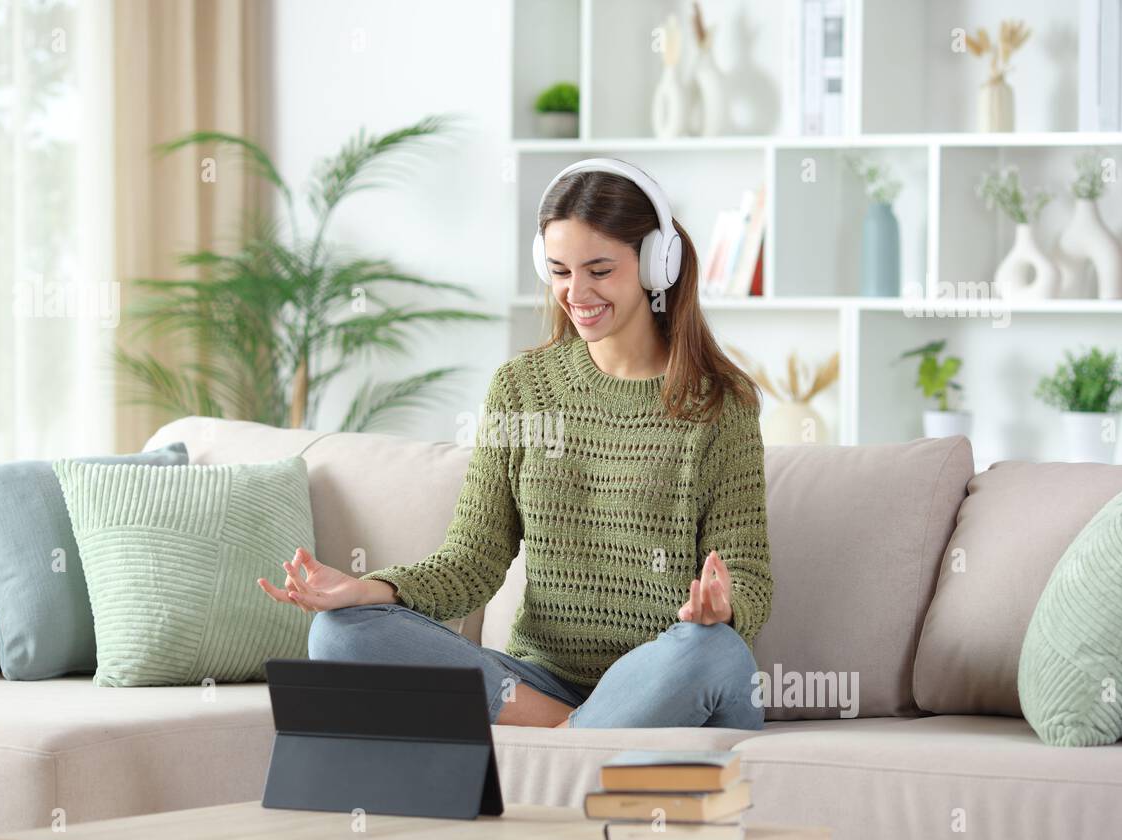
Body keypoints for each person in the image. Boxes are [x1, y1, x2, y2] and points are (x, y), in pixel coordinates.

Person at [258, 157, 772, 730]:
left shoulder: (721, 401)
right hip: (539, 681)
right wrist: (369, 589)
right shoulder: (520, 388)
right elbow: (471, 561)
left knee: (716, 651)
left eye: (599, 270)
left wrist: (724, 608)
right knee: (339, 634)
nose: (576, 293)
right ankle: (581, 732)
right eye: (559, 271)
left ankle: (568, 736)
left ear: (657, 265)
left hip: (666, 671)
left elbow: (748, 576)